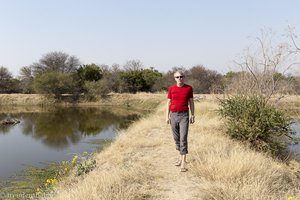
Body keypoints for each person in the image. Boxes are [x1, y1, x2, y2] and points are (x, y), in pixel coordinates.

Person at [166, 70, 195, 172]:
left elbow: (191, 102)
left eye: (181, 76)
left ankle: (183, 163)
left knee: (183, 138)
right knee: (176, 138)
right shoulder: (171, 89)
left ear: (184, 77)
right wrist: (167, 116)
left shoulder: (189, 88)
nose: (179, 79)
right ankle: (180, 157)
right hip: (173, 115)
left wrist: (193, 115)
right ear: (175, 78)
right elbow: (168, 103)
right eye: (177, 77)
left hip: (184, 115)